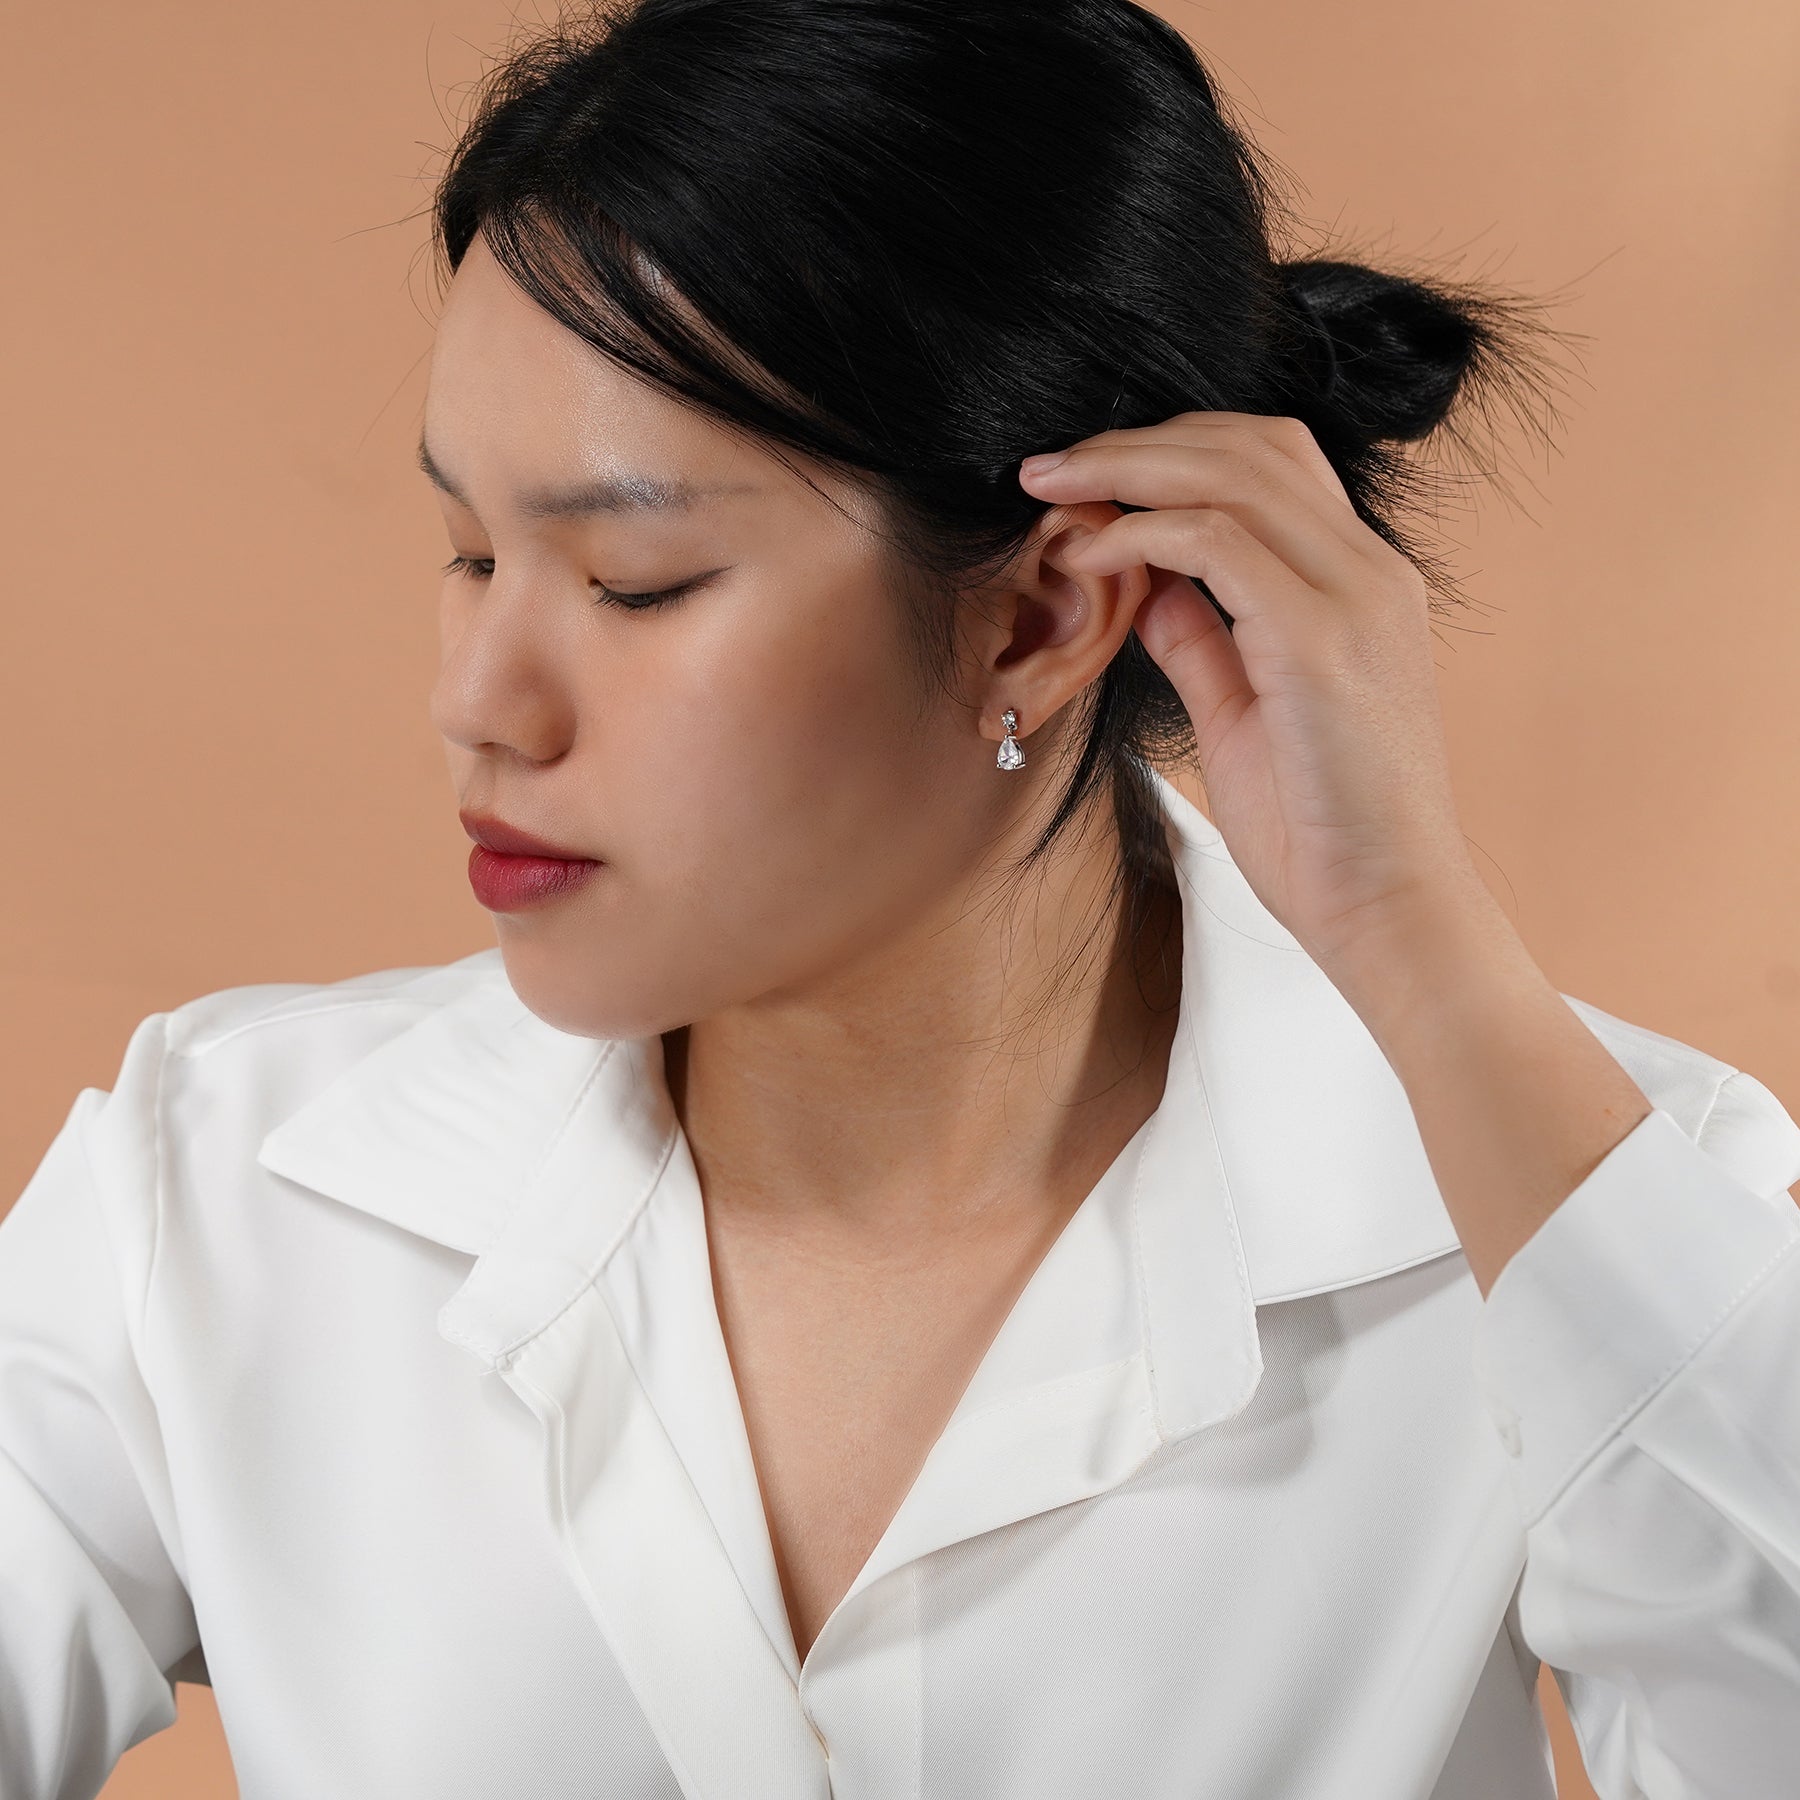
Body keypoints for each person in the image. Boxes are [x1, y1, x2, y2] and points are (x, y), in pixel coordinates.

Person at [4, 1, 1798, 1794]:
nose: (478, 700)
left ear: (1037, 616)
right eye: (472, 554)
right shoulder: (217, 1194)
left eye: (633, 579)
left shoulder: (1596, 1222)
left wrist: (1414, 936)